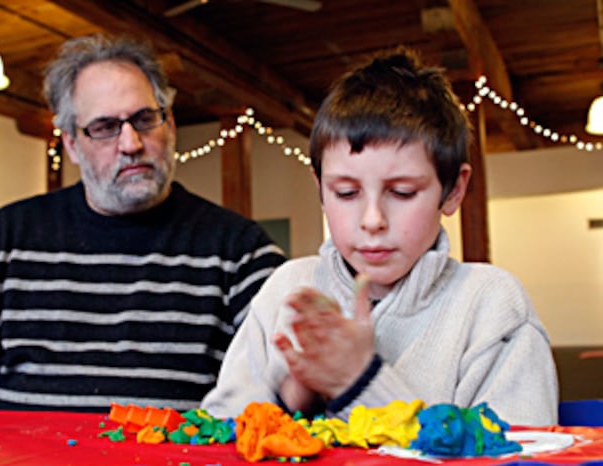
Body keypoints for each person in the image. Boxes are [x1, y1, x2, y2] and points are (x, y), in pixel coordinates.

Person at [0, 34, 285, 412]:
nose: (131, 143)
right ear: (72, 144)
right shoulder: (4, 237)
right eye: (105, 128)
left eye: (145, 119)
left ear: (171, 125)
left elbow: (287, 387)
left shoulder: (240, 250)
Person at [201, 47, 559, 426]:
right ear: (320, 189)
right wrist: (290, 399)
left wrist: (361, 384)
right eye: (346, 193)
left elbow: (522, 465)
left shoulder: (491, 306)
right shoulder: (287, 289)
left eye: (402, 192)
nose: (372, 220)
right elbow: (216, 434)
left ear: (453, 190)